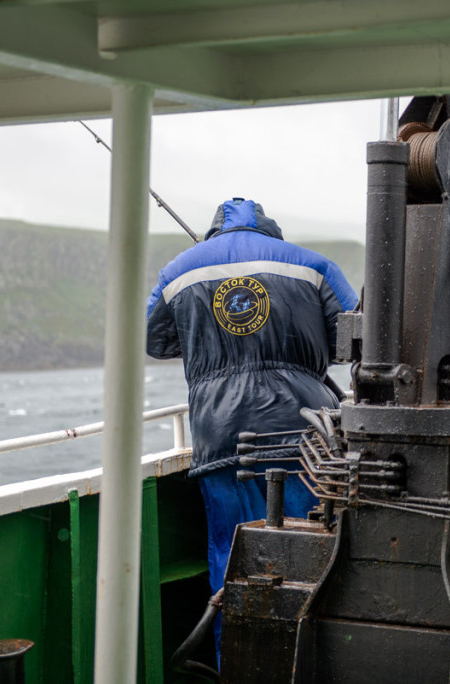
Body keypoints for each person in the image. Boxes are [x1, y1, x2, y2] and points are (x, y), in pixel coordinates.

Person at [145, 197, 358, 657]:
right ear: (270, 229)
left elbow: (155, 340)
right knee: (313, 553)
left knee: (232, 557)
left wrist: (213, 340)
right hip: (304, 438)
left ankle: (236, 665)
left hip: (221, 437)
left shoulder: (178, 272)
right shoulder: (314, 266)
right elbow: (356, 339)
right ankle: (313, 663)